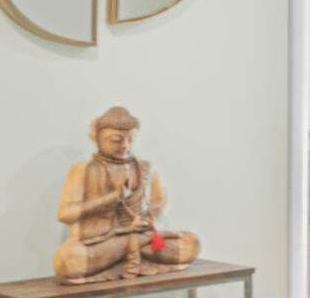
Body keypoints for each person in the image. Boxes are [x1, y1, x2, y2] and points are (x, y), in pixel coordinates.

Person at [50, 106, 199, 282]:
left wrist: (147, 217)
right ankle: (132, 246)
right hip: (102, 242)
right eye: (115, 140)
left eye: (130, 139)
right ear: (95, 139)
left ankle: (133, 245)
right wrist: (112, 198)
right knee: (67, 260)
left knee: (190, 244)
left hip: (141, 235)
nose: (124, 146)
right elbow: (65, 214)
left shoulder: (146, 168)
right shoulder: (82, 170)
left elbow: (158, 202)